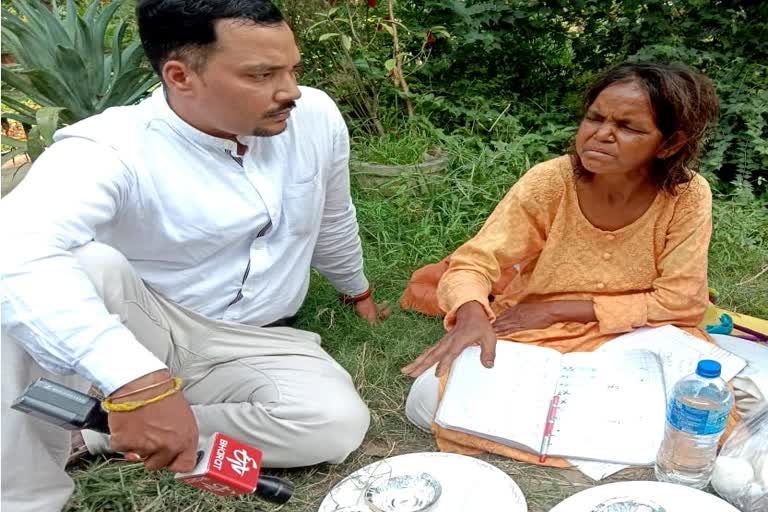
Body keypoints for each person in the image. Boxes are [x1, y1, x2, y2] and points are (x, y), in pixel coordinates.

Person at [0, 1, 390, 510]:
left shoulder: (313, 116)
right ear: (181, 76)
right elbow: (16, 247)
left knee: (333, 423)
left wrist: (354, 287)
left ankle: (96, 427)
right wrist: (137, 378)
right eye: (263, 74)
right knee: (77, 264)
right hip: (145, 324)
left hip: (254, 338)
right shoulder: (110, 146)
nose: (290, 90)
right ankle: (25, 497)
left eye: (292, 68)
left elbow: (333, 213)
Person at [401, 62, 726, 452]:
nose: (601, 135)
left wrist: (557, 310)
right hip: (535, 335)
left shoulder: (687, 196)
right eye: (594, 118)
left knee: (705, 409)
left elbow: (682, 302)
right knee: (425, 399)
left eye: (628, 127)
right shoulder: (551, 181)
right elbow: (473, 262)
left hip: (639, 333)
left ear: (669, 144)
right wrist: (470, 309)